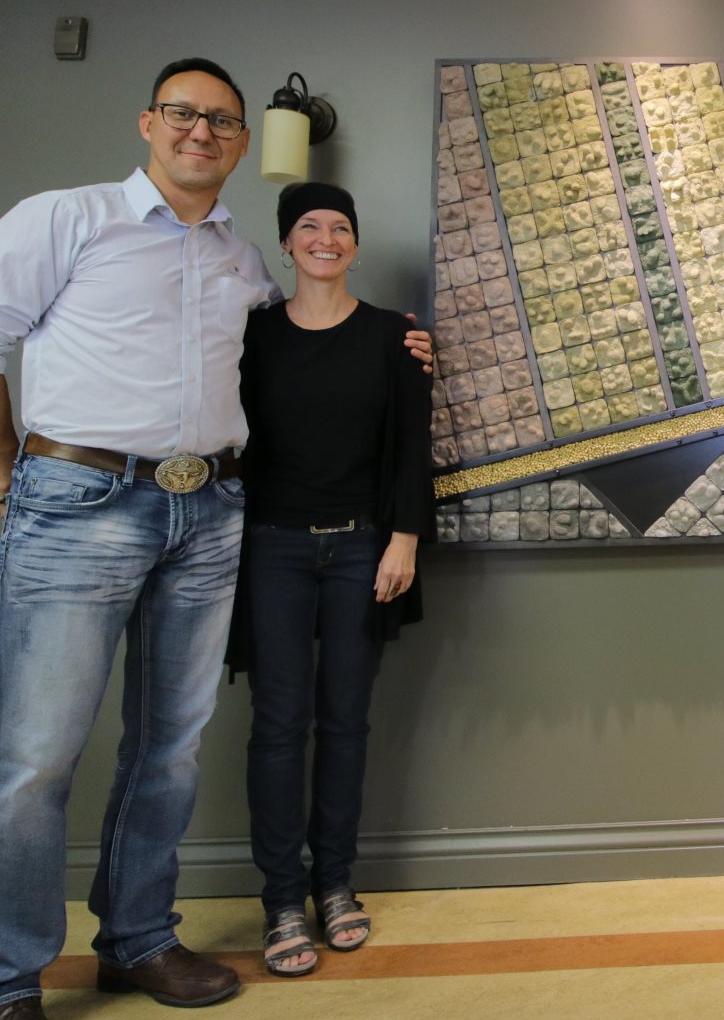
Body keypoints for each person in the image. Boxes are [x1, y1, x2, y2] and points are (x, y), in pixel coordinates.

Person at [0, 59, 430, 1020]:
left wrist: (402, 342)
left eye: (222, 121)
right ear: (148, 123)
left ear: (242, 143)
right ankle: (5, 979)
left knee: (168, 749)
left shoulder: (242, 260)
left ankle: (137, 938)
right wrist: (8, 478)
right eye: (183, 114)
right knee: (35, 758)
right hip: (79, 503)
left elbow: (303, 350)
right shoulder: (65, 220)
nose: (202, 132)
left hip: (208, 514)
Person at [233, 183, 432, 977]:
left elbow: (413, 445)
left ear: (355, 242)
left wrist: (404, 539)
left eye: (340, 226)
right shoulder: (250, 334)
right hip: (271, 549)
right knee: (279, 724)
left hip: (362, 550)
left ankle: (335, 883)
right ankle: (282, 898)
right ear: (286, 243)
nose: (325, 237)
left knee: (346, 721)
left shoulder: (395, 337)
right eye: (309, 226)